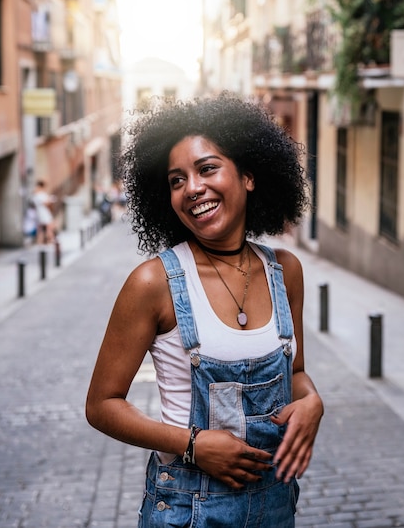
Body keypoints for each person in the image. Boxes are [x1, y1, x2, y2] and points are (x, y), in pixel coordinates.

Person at [86, 93, 324, 527]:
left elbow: (296, 374)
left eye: (207, 168)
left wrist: (312, 403)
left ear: (249, 176)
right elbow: (102, 404)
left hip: (275, 508)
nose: (192, 188)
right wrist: (193, 444)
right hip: (186, 510)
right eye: (177, 180)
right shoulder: (153, 283)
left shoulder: (285, 271)